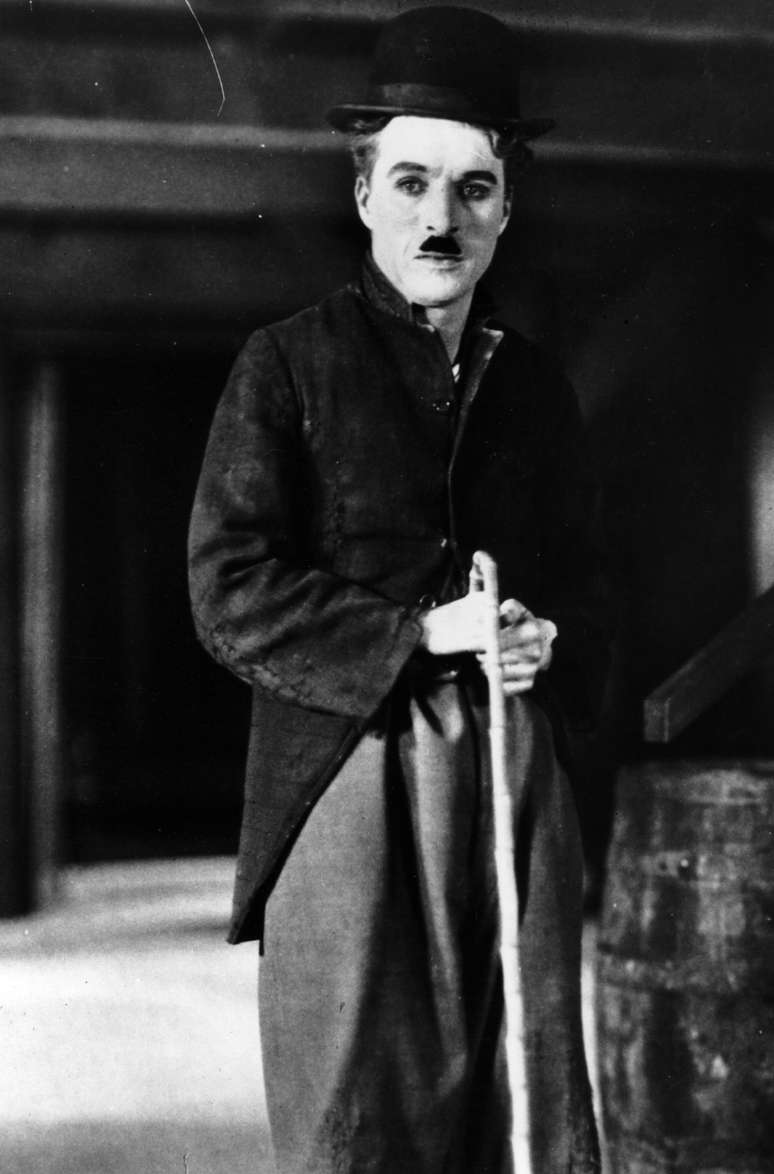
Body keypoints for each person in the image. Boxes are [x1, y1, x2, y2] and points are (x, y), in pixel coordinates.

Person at [188, 7, 610, 1172]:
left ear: (507, 208)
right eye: (413, 182)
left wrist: (544, 634)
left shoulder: (538, 389)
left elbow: (592, 582)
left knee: (523, 1104)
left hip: (514, 776)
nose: (441, 218)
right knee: (359, 1116)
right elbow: (229, 588)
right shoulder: (287, 364)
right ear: (366, 191)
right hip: (351, 779)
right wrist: (422, 633)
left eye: (474, 189)